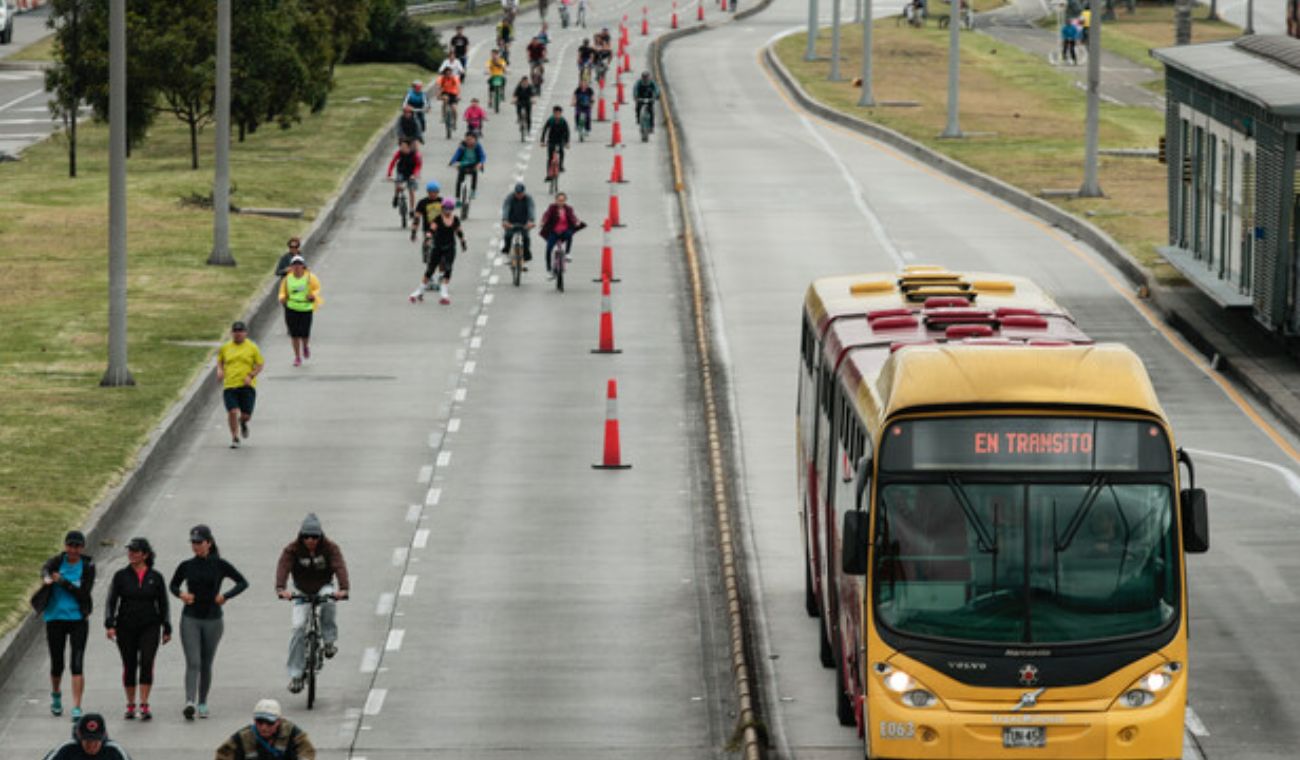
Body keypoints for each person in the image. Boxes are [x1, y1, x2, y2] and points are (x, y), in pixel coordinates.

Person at [170, 524, 249, 720]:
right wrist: (182, 594)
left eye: (199, 542)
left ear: (209, 543)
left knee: (206, 662)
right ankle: (190, 701)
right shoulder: (186, 565)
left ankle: (202, 701)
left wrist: (226, 596)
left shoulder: (219, 564)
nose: (196, 546)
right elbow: (173, 584)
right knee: (193, 661)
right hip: (190, 617)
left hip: (213, 619)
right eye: (193, 543)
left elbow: (242, 582)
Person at [275, 514, 351, 694]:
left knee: (329, 603)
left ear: (320, 536)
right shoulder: (292, 550)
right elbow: (283, 567)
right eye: (307, 537)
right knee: (298, 628)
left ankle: (329, 641)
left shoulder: (330, 548)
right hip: (301, 590)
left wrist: (344, 588)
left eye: (315, 537)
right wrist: (281, 588)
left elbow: (340, 566)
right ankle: (295, 675)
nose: (311, 540)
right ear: (301, 536)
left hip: (323, 586)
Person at [104, 537, 171, 722]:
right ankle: (131, 703)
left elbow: (163, 603)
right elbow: (111, 601)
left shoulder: (155, 577)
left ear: (145, 555)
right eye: (130, 551)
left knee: (147, 661)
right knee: (130, 663)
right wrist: (109, 624)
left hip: (150, 625)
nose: (131, 554)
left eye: (136, 551)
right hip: (126, 626)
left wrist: (167, 626)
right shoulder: (121, 576)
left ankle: (144, 703)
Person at [31, 530, 96, 720]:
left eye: (77, 546)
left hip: (77, 619)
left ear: (82, 547)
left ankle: (77, 705)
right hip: (55, 618)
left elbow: (84, 594)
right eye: (70, 546)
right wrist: (46, 578)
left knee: (77, 663)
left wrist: (64, 582)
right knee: (57, 662)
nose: (73, 550)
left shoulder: (87, 566)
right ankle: (56, 695)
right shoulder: (57, 561)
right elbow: (45, 569)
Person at [215, 699, 315, 760]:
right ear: (254, 721)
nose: (264, 727)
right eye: (259, 722)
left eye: (269, 723)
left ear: (278, 721)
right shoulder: (243, 738)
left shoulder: (292, 733)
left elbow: (306, 752)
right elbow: (223, 756)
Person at [411, 198, 468, 305]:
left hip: (450, 247)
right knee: (430, 270)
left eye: (450, 209)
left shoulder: (455, 219)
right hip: (437, 247)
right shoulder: (437, 219)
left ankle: (444, 293)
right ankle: (419, 291)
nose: (448, 211)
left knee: (448, 268)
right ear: (442, 208)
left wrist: (463, 242)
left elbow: (459, 232)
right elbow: (431, 230)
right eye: (446, 209)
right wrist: (427, 239)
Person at [216, 321, 263, 449]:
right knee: (232, 411)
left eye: (240, 332)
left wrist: (251, 375)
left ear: (245, 333)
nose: (238, 334)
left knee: (246, 416)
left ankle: (243, 423)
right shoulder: (225, 347)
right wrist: (220, 370)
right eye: (235, 332)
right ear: (232, 333)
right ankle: (235, 437)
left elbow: (260, 365)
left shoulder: (252, 347)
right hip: (230, 385)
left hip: (247, 386)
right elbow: (220, 361)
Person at [277, 256, 322, 368]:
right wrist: (282, 298)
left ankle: (305, 346)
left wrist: (313, 295)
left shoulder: (310, 278)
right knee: (294, 334)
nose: (297, 267)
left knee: (305, 333)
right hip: (291, 307)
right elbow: (282, 292)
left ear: (303, 266)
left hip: (305, 307)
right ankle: (297, 356)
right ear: (291, 267)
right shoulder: (287, 279)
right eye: (294, 265)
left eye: (299, 264)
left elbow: (317, 288)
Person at [42, 713, 132, 760]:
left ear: (103, 737)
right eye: (87, 741)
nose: (92, 746)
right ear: (80, 737)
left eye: (96, 741)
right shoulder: (66, 749)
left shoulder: (115, 751)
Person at [539, 192, 586, 274]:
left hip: (564, 231)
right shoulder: (552, 208)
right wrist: (543, 222)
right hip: (553, 232)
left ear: (565, 201)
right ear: (556, 200)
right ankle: (549, 269)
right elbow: (546, 215)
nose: (561, 202)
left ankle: (567, 253)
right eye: (559, 200)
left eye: (563, 200)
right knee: (548, 249)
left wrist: (576, 222)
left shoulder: (568, 209)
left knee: (570, 234)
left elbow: (573, 217)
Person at [386, 139, 422, 214]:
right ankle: (396, 196)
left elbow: (418, 166)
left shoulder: (415, 154)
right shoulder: (399, 153)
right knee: (398, 184)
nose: (402, 148)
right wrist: (389, 174)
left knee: (411, 191)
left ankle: (412, 209)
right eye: (401, 147)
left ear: (409, 147)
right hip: (401, 172)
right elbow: (392, 163)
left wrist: (414, 175)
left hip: (411, 173)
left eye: (404, 147)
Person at [449, 132, 487, 201]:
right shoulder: (462, 146)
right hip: (463, 164)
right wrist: (453, 162)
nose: (468, 141)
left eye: (470, 139)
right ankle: (457, 198)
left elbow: (482, 156)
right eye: (467, 139)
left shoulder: (478, 146)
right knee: (459, 180)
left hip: (474, 164)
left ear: (475, 140)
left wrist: (481, 163)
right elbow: (456, 155)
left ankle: (473, 190)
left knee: (475, 172)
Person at [539, 105, 570, 173]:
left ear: (561, 113)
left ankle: (561, 165)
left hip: (561, 139)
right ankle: (548, 173)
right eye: (556, 113)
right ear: (553, 113)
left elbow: (567, 131)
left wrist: (567, 142)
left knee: (561, 151)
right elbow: (545, 130)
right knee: (550, 157)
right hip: (551, 140)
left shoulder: (563, 121)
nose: (557, 115)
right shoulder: (550, 120)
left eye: (559, 113)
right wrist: (542, 141)